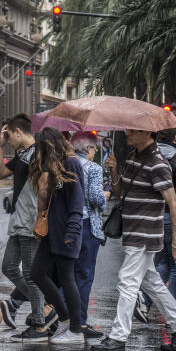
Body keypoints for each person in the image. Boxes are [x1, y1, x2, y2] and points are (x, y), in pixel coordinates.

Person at [93, 129, 176, 351]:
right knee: (153, 284)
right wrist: (113, 171)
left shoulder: (158, 163)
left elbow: (174, 204)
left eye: (134, 131)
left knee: (127, 281)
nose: (128, 133)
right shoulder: (133, 157)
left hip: (144, 234)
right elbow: (121, 192)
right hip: (133, 231)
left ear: (149, 133)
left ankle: (118, 337)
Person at [0, 115, 56, 341]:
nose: (8, 141)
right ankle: (47, 308)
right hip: (18, 222)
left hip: (31, 222)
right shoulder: (21, 155)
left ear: (18, 132)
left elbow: (44, 188)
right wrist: (0, 147)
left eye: (8, 136)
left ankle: (39, 324)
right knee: (9, 267)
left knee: (32, 275)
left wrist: (41, 219)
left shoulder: (41, 152)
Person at [28, 127, 85, 346]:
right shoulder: (57, 165)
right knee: (37, 272)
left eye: (42, 148)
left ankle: (76, 329)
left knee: (68, 278)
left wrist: (72, 231)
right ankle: (64, 318)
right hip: (53, 232)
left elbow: (76, 201)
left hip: (66, 233)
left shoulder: (71, 163)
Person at [137, 126, 176, 321]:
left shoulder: (150, 154)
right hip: (175, 216)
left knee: (163, 262)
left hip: (155, 216)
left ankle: (144, 299)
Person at [73, 133, 109, 339]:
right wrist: (105, 197)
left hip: (68, 225)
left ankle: (61, 316)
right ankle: (81, 321)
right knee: (84, 276)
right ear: (87, 149)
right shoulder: (93, 168)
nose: (95, 152)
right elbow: (96, 198)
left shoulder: (65, 164)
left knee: (67, 274)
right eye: (94, 149)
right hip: (88, 226)